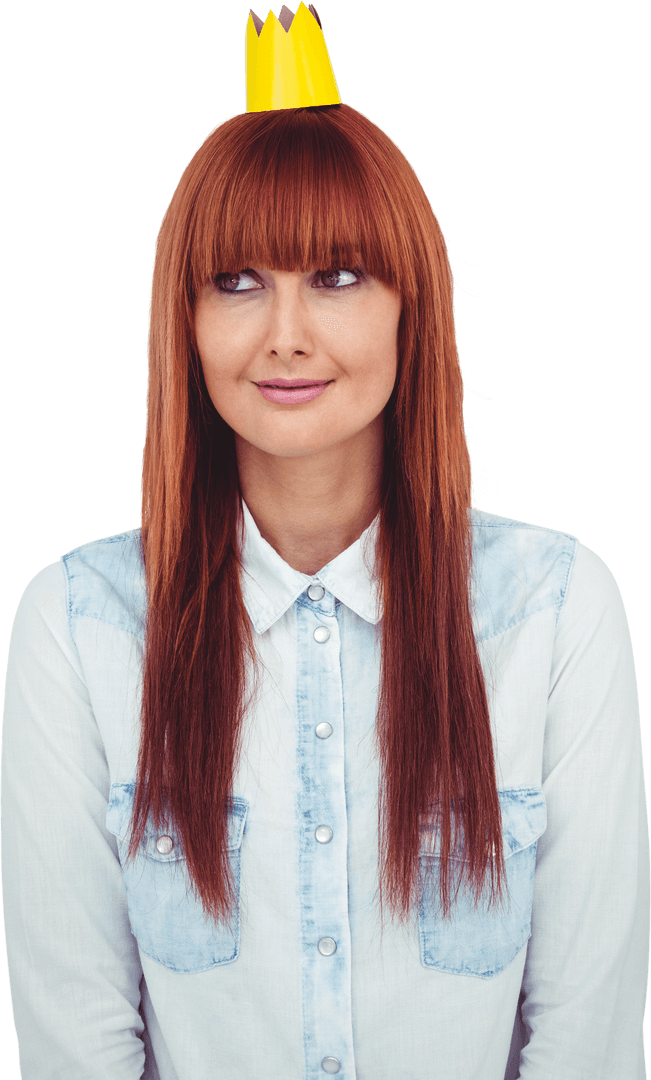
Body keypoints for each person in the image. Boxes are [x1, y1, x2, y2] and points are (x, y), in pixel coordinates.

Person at [2, 4, 647, 1078]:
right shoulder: (79, 627)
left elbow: (587, 1042)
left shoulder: (556, 610)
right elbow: (79, 1045)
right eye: (238, 282)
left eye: (338, 277)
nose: (285, 333)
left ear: (411, 309)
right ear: (187, 320)